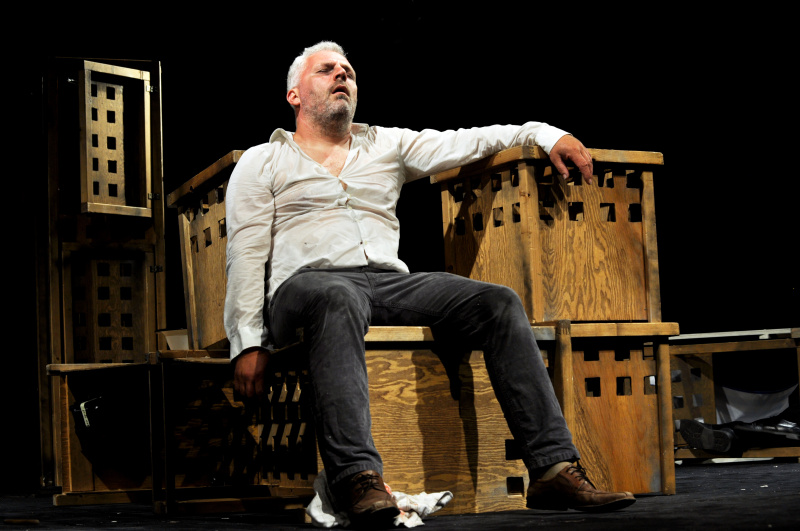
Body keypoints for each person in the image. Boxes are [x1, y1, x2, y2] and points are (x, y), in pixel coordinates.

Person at [224, 41, 634, 528]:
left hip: (385, 283)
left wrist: (546, 134)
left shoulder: (387, 144)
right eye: (327, 70)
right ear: (294, 94)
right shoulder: (262, 160)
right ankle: (356, 478)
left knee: (496, 301)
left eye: (348, 70)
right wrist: (248, 343)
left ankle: (552, 469)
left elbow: (472, 140)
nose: (342, 75)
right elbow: (244, 254)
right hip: (305, 288)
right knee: (336, 296)